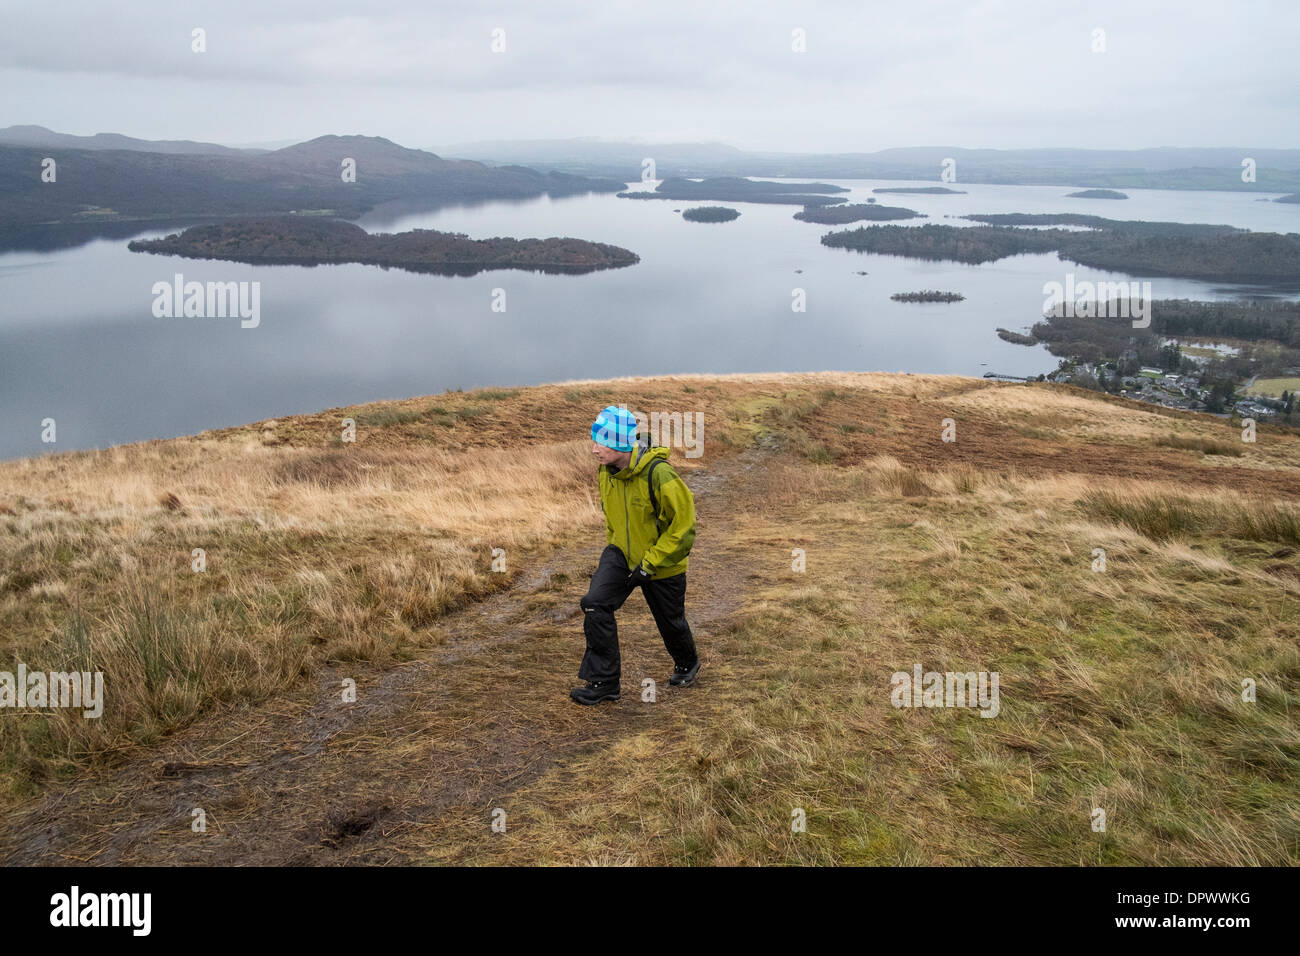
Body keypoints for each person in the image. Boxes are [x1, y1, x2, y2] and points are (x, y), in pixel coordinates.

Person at [572, 405, 701, 705]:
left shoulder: (660, 473)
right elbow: (613, 516)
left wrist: (651, 562)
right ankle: (604, 683)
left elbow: (684, 526)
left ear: (620, 442)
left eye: (600, 442)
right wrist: (616, 551)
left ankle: (687, 663)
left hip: (661, 563)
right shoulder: (606, 472)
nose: (594, 450)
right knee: (594, 605)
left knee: (671, 622)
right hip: (620, 555)